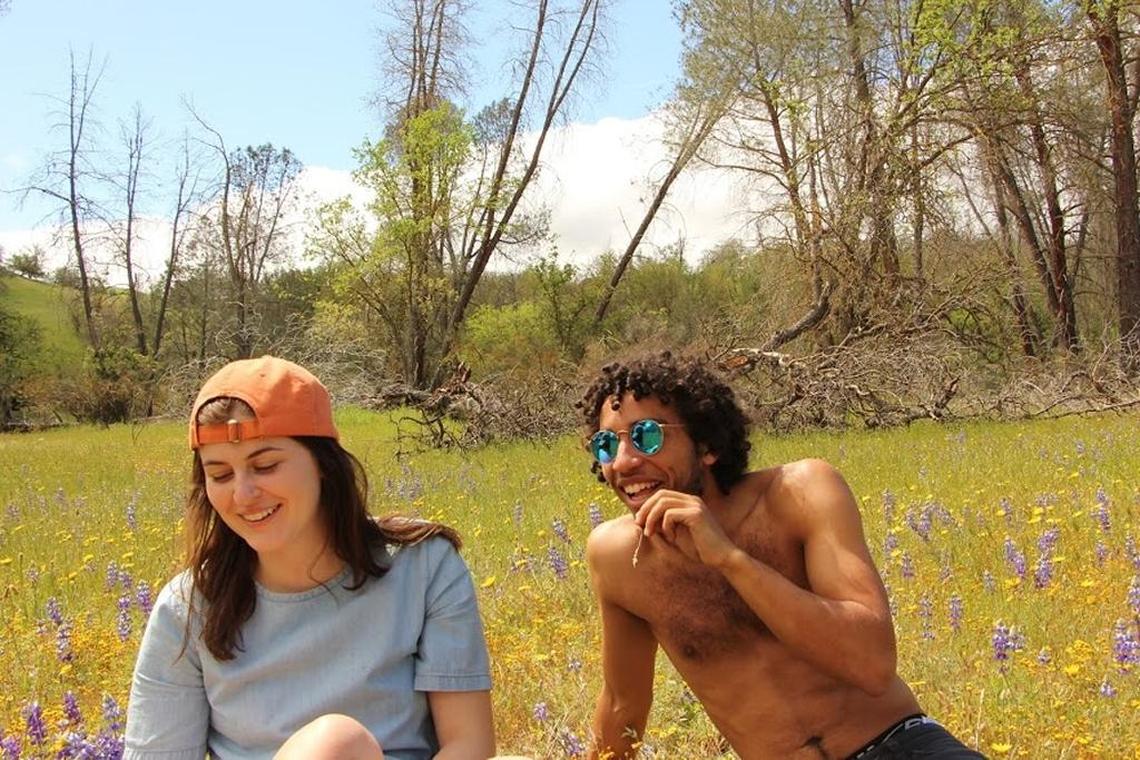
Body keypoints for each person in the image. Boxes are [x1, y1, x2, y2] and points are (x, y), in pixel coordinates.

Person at [578, 352, 984, 759]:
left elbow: (872, 665)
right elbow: (622, 707)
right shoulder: (616, 557)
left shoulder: (800, 492)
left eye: (647, 435)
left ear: (707, 445)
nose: (625, 462)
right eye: (607, 444)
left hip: (899, 745)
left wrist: (730, 559)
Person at [125, 356, 496, 760]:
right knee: (334, 746)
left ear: (323, 464)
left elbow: (469, 744)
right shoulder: (188, 607)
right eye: (220, 475)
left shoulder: (423, 566)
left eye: (265, 465)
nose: (243, 494)